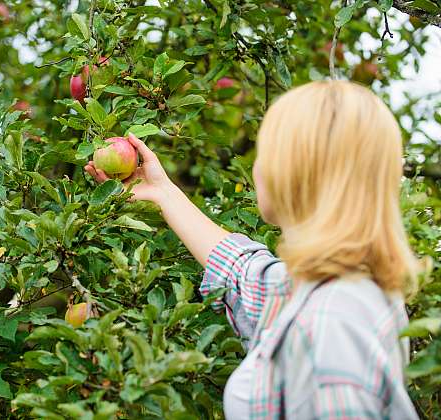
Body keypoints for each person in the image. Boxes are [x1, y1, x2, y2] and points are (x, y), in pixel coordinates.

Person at [85, 80, 420, 419]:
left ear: (297, 166)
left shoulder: (331, 321)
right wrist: (162, 191)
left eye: (265, 150)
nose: (257, 166)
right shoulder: (324, 290)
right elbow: (243, 272)